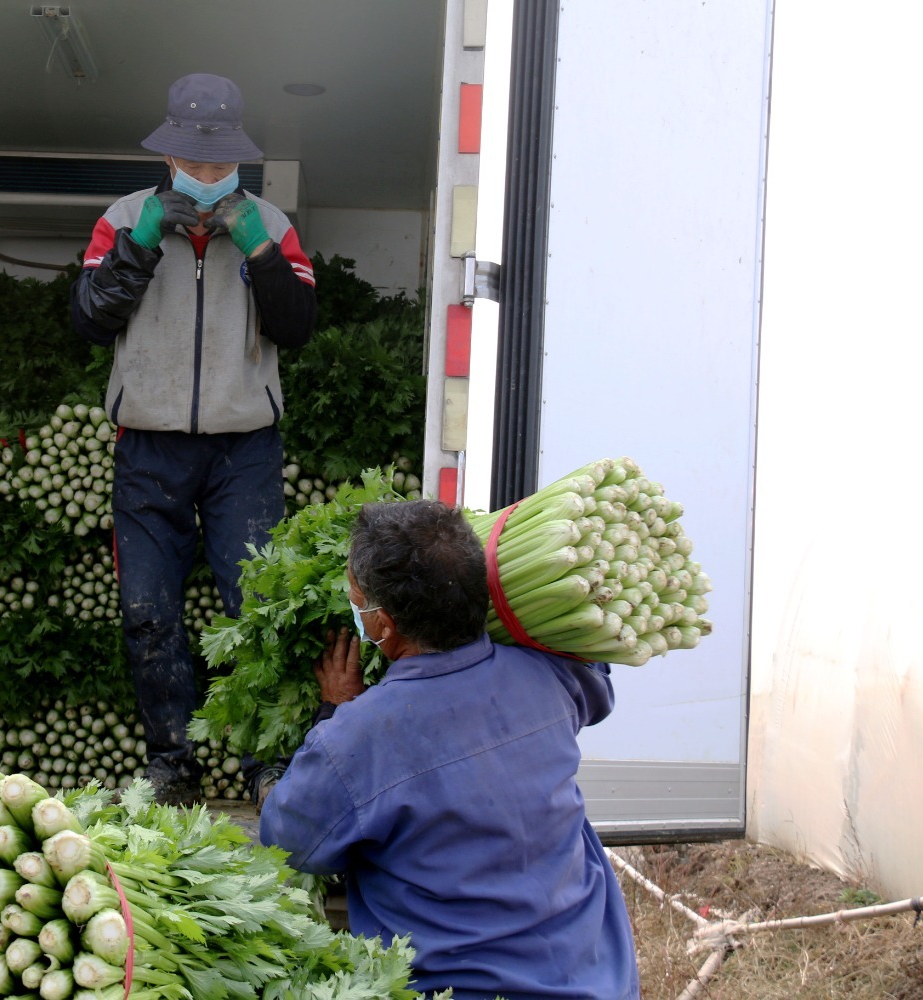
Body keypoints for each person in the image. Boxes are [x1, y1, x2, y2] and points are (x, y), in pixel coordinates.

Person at [259, 500, 641, 1000]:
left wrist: (334, 712)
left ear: (383, 626)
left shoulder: (361, 737)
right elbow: (599, 683)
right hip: (595, 980)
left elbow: (288, 837)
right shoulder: (548, 675)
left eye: (358, 601)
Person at [70, 73, 316, 805]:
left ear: (238, 161)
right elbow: (89, 318)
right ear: (169, 158)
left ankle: (264, 765)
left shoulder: (269, 223)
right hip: (148, 446)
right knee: (149, 611)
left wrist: (260, 253)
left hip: (245, 450)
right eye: (194, 166)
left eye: (219, 168)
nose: (207, 180)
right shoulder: (124, 217)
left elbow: (297, 326)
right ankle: (171, 766)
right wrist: (142, 244)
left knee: (254, 611)